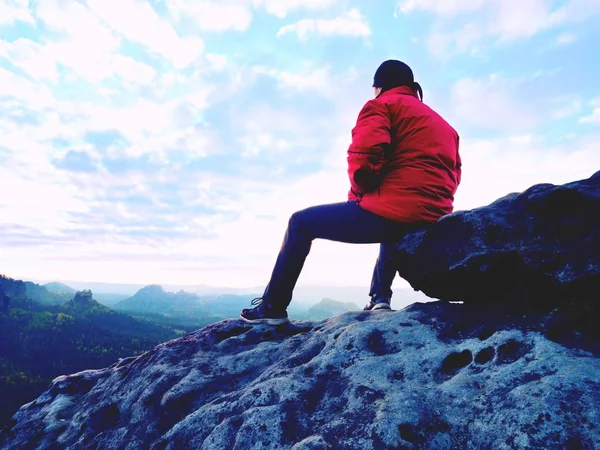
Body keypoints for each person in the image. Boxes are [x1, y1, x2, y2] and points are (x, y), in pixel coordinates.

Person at [240, 60, 462, 325]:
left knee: (300, 223)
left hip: (396, 213)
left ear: (379, 87)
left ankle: (272, 307)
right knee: (394, 220)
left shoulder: (381, 106)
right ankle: (380, 298)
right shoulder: (445, 126)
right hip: (432, 216)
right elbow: (454, 173)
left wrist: (359, 194)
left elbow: (365, 155)